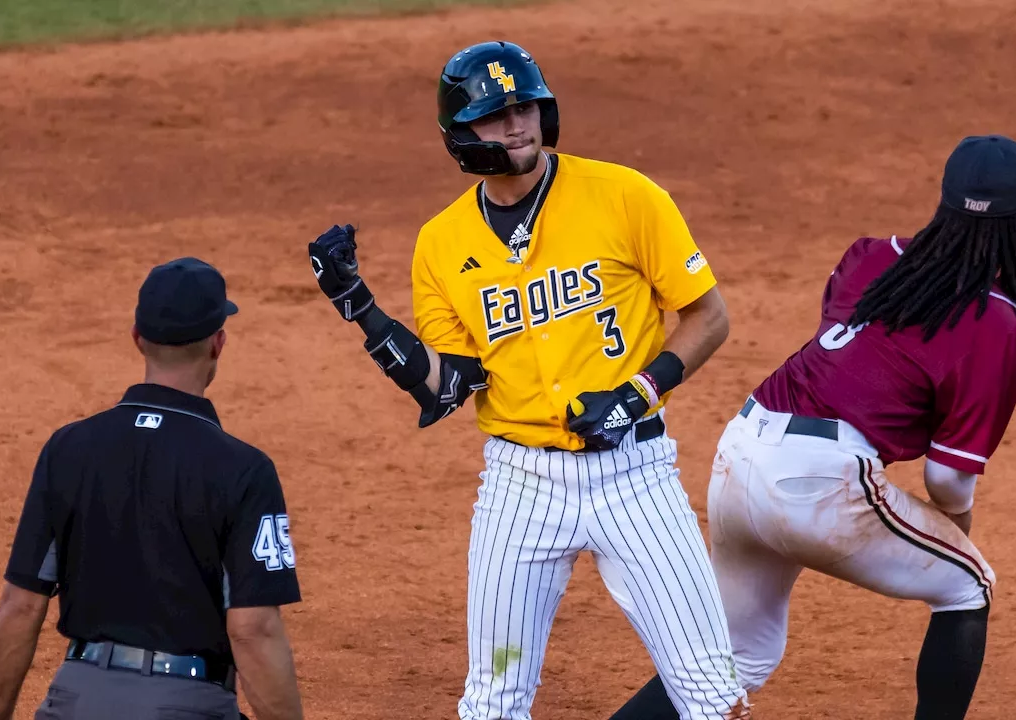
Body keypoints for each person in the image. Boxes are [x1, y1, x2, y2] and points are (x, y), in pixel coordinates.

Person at [308, 40, 751, 720]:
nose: (517, 125)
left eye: (525, 108)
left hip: (637, 476)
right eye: (495, 115)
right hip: (520, 488)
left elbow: (708, 317)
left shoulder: (625, 196)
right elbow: (446, 386)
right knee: (494, 699)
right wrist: (361, 310)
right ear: (462, 135)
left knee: (713, 694)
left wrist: (637, 393)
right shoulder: (442, 243)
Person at [609, 135, 1016, 720]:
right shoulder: (999, 323)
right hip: (818, 481)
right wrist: (952, 532)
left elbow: (866, 352)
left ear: (945, 199)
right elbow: (949, 480)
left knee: (732, 659)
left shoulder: (869, 256)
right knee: (966, 584)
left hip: (740, 455)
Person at [0, 258, 305, 720]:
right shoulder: (244, 469)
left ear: (137, 338)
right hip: (189, 703)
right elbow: (253, 630)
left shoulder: (68, 449)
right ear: (218, 343)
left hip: (74, 699)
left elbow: (20, 605)